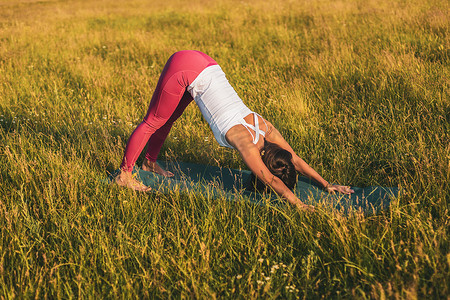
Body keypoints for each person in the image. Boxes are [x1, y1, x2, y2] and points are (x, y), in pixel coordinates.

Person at [115, 50, 354, 210]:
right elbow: (271, 180)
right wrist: (299, 205)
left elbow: (296, 160)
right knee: (154, 120)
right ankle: (124, 175)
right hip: (188, 69)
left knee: (167, 120)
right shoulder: (245, 143)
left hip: (206, 65)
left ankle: (149, 162)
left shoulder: (265, 128)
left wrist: (326, 184)